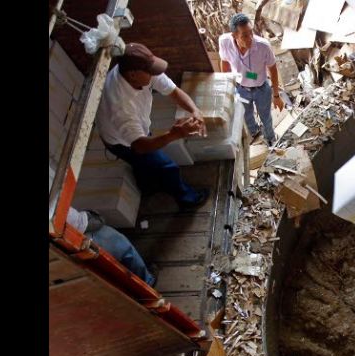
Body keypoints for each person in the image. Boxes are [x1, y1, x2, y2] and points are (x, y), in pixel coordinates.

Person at [95, 43, 210, 209]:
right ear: (133, 75)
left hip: (135, 130)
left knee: (142, 164)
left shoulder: (141, 71)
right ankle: (188, 199)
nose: (155, 74)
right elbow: (140, 146)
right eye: (150, 71)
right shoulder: (121, 105)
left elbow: (174, 92)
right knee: (167, 167)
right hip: (121, 142)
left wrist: (195, 111)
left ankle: (147, 187)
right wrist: (175, 134)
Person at [218, 13, 285, 146]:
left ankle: (270, 138)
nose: (250, 38)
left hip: (261, 88)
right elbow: (224, 61)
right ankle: (255, 133)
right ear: (234, 35)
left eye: (251, 32)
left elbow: (273, 69)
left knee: (266, 116)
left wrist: (276, 95)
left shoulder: (263, 46)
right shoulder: (225, 42)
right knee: (246, 115)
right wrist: (228, 87)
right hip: (241, 89)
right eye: (244, 35)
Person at [66, 207, 156, 287]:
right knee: (124, 250)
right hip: (82, 232)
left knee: (108, 270)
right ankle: (147, 281)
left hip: (73, 244)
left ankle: (138, 287)